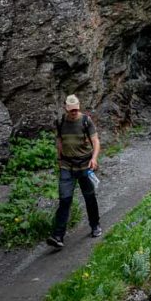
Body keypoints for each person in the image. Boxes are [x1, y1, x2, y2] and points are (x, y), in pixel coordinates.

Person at [46, 94, 102, 250]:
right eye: (71, 110)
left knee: (89, 197)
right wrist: (59, 158)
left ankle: (95, 225)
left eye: (76, 109)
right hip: (66, 166)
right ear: (66, 108)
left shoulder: (86, 121)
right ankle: (58, 236)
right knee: (64, 199)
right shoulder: (60, 122)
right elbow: (59, 140)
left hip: (85, 165)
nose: (74, 112)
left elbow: (95, 141)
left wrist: (94, 158)